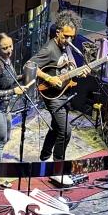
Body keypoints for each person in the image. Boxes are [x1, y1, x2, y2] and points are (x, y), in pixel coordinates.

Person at [29, 13, 84, 183]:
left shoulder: (67, 47)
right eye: (66, 36)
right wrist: (49, 78)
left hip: (63, 93)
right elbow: (29, 65)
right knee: (65, 131)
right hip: (52, 95)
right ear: (58, 32)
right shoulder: (49, 49)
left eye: (72, 37)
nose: (69, 40)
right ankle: (57, 168)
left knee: (56, 128)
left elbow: (70, 69)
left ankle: (45, 158)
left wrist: (80, 72)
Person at [0, 30, 27, 161]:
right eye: (5, 48)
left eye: (10, 46)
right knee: (0, 142)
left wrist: (25, 76)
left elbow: (10, 80)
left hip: (4, 107)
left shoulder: (6, 60)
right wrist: (14, 91)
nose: (9, 50)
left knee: (6, 138)